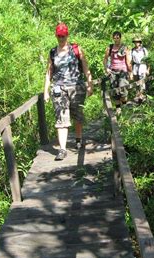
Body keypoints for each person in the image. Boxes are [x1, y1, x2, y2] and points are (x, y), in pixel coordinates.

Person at [43, 23, 93, 160]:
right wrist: (46, 90)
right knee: (61, 117)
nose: (61, 38)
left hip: (76, 87)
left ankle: (78, 139)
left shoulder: (76, 50)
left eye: (63, 36)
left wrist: (90, 85)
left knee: (77, 115)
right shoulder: (53, 52)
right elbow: (49, 72)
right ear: (56, 35)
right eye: (59, 36)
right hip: (59, 88)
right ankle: (62, 149)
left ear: (67, 35)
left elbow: (86, 68)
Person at [103, 31, 132, 114]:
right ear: (113, 38)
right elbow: (105, 59)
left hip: (123, 71)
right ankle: (118, 109)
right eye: (114, 38)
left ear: (120, 38)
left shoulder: (125, 47)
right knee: (114, 91)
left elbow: (128, 61)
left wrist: (130, 72)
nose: (116, 40)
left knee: (123, 90)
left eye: (117, 38)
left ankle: (124, 105)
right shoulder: (110, 47)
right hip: (113, 71)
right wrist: (106, 69)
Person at [131, 36, 149, 104]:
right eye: (135, 42)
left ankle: (141, 96)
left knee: (142, 81)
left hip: (142, 66)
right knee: (136, 82)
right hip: (135, 66)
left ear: (140, 42)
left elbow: (148, 60)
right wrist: (130, 71)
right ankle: (137, 95)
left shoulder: (144, 50)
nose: (136, 43)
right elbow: (131, 61)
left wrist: (148, 69)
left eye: (137, 42)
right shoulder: (132, 50)